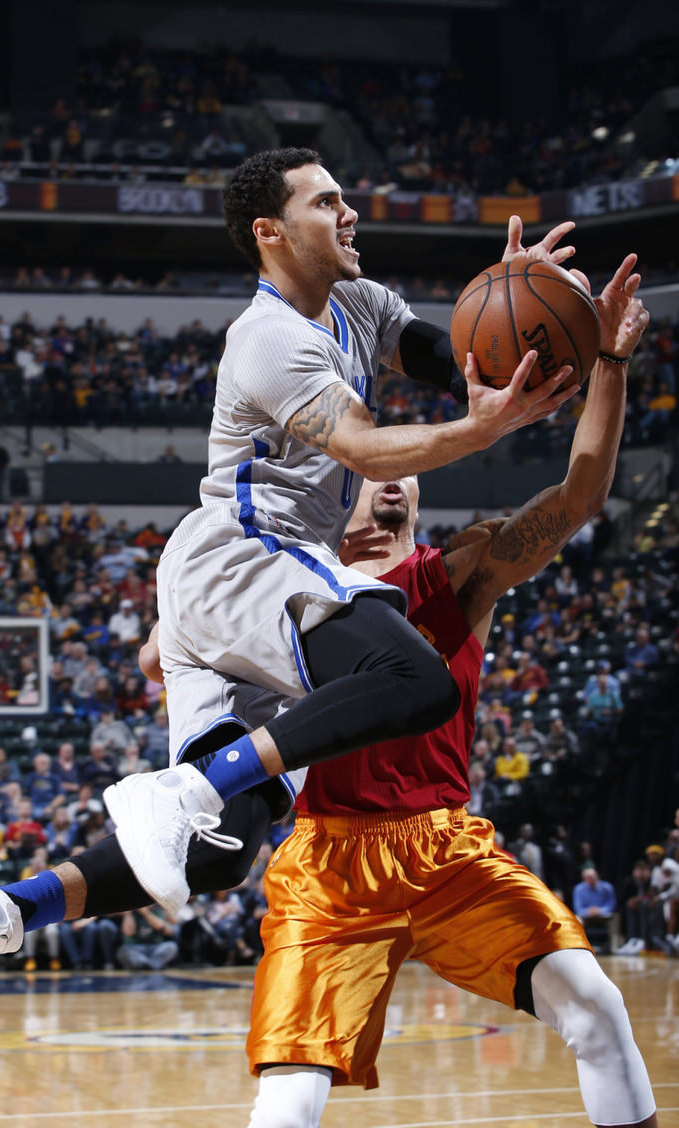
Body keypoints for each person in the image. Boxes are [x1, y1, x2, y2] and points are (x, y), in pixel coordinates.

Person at [0, 150, 609, 1034]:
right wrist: (481, 426)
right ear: (270, 232)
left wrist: (524, 307)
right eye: (327, 201)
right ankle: (182, 792)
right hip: (245, 556)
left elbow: (449, 353)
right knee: (415, 680)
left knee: (222, 851)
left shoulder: (358, 302)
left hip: (226, 583)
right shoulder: (267, 338)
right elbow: (366, 448)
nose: (351, 213)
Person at [244, 261, 657, 1127]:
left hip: (443, 850)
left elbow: (580, 496)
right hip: (327, 865)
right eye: (369, 467)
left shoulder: (456, 575)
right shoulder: (281, 590)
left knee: (597, 1006)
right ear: (333, 491)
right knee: (291, 1093)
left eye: (405, 465)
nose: (391, 475)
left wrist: (608, 364)